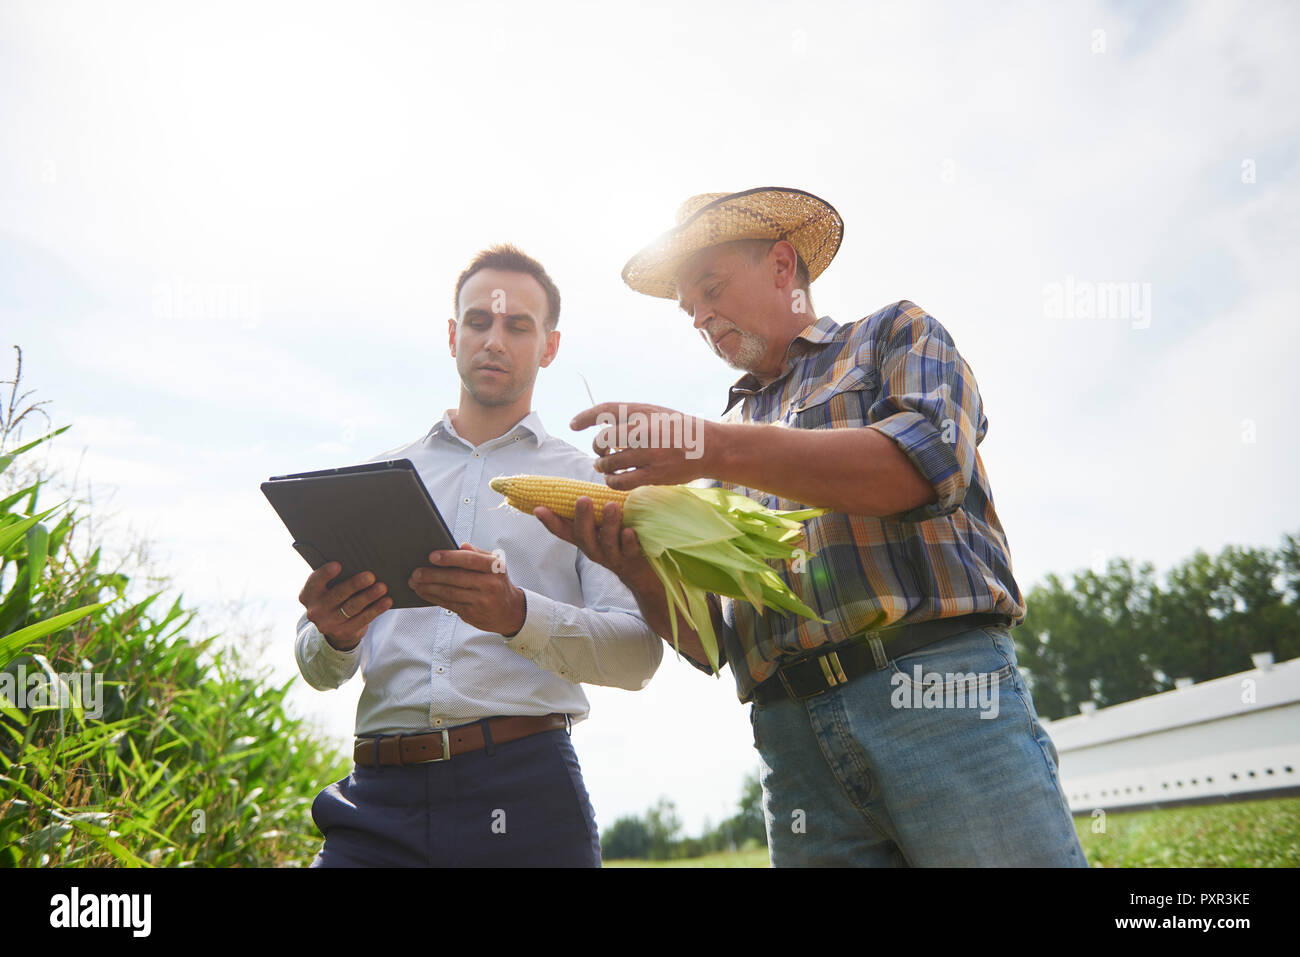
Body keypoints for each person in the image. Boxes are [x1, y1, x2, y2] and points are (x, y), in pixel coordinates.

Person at [534, 187, 1087, 867]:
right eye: (690, 309)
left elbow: (923, 466)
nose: (702, 317)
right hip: (791, 739)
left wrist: (710, 448)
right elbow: (715, 642)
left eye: (711, 288)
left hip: (937, 695)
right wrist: (634, 567)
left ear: (781, 265)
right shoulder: (722, 438)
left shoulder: (893, 334)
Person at [294, 243, 662, 867]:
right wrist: (330, 634)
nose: (494, 340)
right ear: (452, 334)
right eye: (478, 321)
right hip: (375, 800)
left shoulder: (594, 486)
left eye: (518, 325)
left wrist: (517, 614)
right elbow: (319, 668)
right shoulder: (379, 476)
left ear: (549, 346)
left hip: (525, 794)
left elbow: (638, 657)